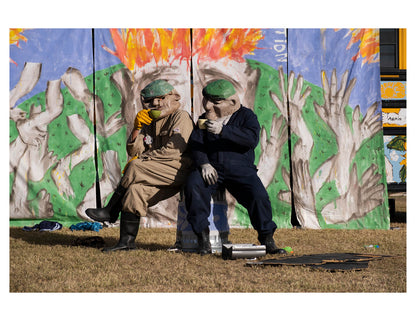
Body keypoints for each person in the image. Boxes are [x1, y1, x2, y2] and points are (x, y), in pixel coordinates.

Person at [85, 79, 194, 252]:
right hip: (155, 171)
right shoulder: (149, 122)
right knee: (135, 192)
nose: (154, 104)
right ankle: (126, 243)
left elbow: (173, 152)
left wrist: (145, 160)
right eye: (149, 101)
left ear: (170, 97)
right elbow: (134, 151)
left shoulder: (180, 117)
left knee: (135, 166)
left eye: (158, 99)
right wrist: (137, 128)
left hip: (178, 169)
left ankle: (110, 210)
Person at [184, 79, 285, 255]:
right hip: (212, 167)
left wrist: (224, 130)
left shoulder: (247, 116)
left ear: (232, 102)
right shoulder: (203, 119)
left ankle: (267, 238)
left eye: (215, 102)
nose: (208, 106)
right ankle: (203, 238)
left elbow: (251, 139)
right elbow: (196, 144)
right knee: (194, 185)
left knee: (258, 195)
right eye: (206, 100)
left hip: (240, 167)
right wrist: (204, 163)